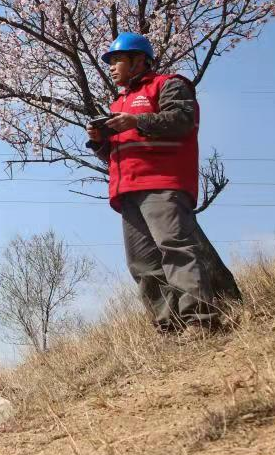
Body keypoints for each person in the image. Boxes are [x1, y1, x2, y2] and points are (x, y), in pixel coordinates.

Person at [86, 32, 241, 334]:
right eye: (111, 61)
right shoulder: (119, 102)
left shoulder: (169, 84)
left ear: (139, 60)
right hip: (127, 190)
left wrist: (137, 121)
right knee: (142, 264)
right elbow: (120, 151)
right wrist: (101, 142)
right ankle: (170, 327)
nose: (112, 67)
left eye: (118, 59)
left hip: (162, 183)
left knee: (175, 248)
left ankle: (200, 319)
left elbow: (182, 121)